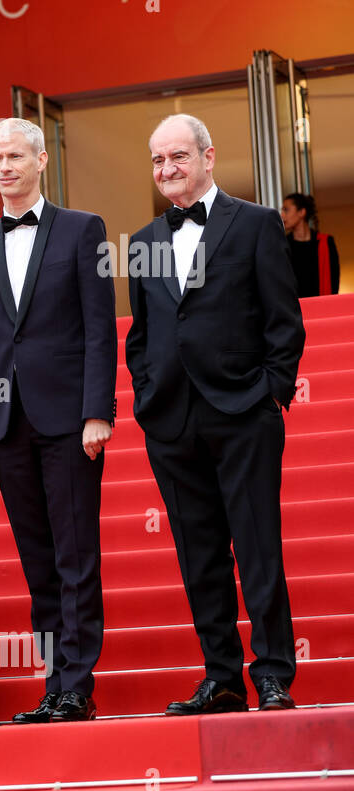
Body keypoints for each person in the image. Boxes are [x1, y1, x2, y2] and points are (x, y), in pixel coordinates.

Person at [127, 114, 305, 715]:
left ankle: (275, 673)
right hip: (172, 420)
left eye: (178, 156)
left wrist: (273, 390)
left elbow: (284, 319)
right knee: (198, 554)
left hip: (243, 411)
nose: (167, 169)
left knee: (258, 547)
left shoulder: (255, 223)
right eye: (157, 161)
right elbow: (144, 332)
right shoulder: (146, 241)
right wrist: (146, 395)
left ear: (208, 156)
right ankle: (222, 677)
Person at [0, 118, 116, 723]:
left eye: (15, 156)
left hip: (70, 420)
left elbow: (100, 328)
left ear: (42, 160)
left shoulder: (83, 230)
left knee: (76, 555)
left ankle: (77, 685)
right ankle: (55, 685)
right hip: (4, 423)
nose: (3, 167)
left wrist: (97, 411)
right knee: (37, 561)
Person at [280, 193, 340, 298]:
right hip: (294, 309)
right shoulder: (283, 244)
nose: (282, 215)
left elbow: (334, 280)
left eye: (286, 210)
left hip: (322, 307)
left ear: (301, 212)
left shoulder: (325, 242)